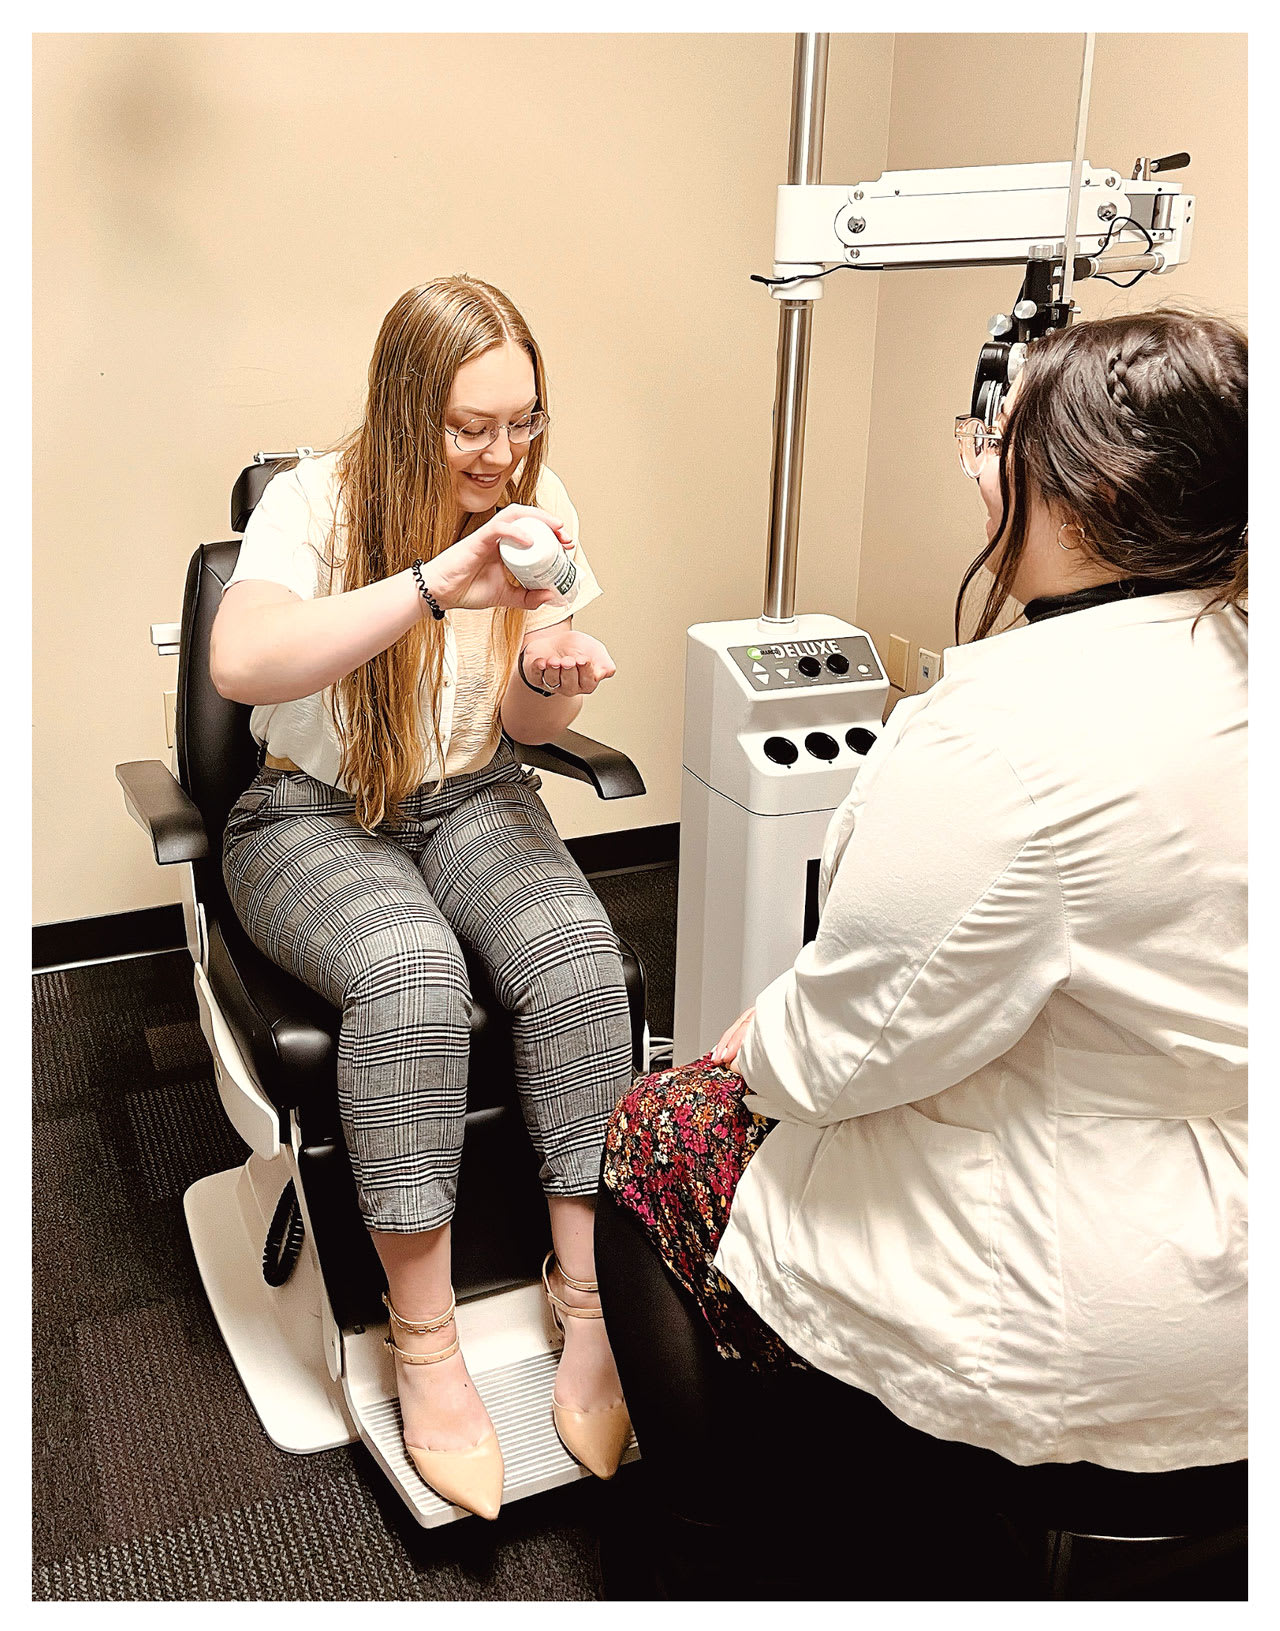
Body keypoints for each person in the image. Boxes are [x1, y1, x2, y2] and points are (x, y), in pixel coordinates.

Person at [597, 308, 1247, 1597]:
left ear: (1094, 489)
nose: (981, 468)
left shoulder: (1005, 731)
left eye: (999, 441)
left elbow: (838, 1058)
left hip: (1099, 1306)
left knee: (661, 1128)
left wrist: (760, 1037)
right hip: (1227, 1209)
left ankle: (708, 1547)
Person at [211, 276, 632, 1520]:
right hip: (307, 811)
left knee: (574, 961)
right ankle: (425, 1336)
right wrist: (437, 583)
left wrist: (555, 676)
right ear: (407, 413)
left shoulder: (535, 501)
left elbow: (520, 718)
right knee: (409, 975)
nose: (503, 455)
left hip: (470, 790)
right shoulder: (313, 501)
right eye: (470, 427)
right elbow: (241, 662)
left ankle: (587, 1296)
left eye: (522, 421)